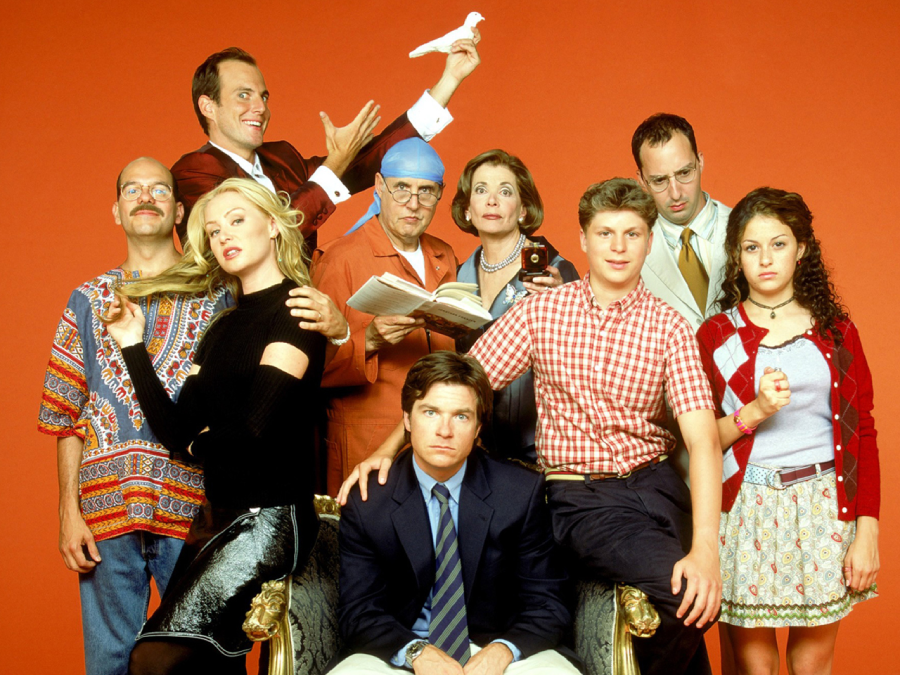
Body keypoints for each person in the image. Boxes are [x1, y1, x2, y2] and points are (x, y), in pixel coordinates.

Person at [340, 179, 723, 675]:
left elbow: (703, 441)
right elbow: (460, 384)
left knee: (704, 587)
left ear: (650, 240)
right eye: (605, 233)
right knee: (682, 594)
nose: (619, 247)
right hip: (582, 494)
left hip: (656, 483)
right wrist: (389, 449)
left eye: (632, 234)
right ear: (583, 240)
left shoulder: (670, 326)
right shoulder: (542, 311)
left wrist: (708, 548)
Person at [106, 178, 327, 673]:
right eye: (212, 229)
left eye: (237, 220)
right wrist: (131, 343)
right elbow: (175, 429)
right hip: (218, 518)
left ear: (273, 226)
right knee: (206, 662)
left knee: (153, 659)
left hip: (271, 518)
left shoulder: (296, 310)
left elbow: (255, 430)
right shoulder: (222, 327)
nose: (223, 235)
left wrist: (198, 441)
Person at [37, 157, 228, 675]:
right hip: (105, 510)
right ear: (117, 210)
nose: (146, 197)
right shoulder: (88, 298)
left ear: (180, 209)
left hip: (194, 510)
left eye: (159, 189)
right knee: (108, 663)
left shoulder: (217, 296)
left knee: (198, 659)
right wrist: (67, 512)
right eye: (133, 190)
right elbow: (65, 416)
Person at [696, 187, 879, 675]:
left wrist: (867, 531)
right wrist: (753, 410)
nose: (766, 259)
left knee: (812, 665)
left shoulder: (836, 331)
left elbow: (864, 433)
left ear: (802, 249)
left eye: (778, 244)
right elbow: (698, 444)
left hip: (823, 507)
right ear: (737, 257)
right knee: (755, 669)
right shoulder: (717, 335)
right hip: (745, 510)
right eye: (752, 248)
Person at [333, 351, 580, 675]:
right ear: (407, 419)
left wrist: (503, 650)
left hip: (497, 648)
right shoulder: (369, 501)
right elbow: (359, 612)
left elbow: (549, 603)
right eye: (431, 412)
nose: (444, 430)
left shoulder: (520, 492)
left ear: (478, 426)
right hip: (401, 651)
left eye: (461, 416)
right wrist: (416, 652)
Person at [172, 40, 481, 248]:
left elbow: (367, 162)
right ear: (208, 106)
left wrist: (449, 80)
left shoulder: (282, 157)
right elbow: (258, 238)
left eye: (263, 96)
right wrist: (336, 162)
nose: (260, 108)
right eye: (243, 95)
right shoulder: (192, 173)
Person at [313, 138, 458, 495]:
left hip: (438, 436)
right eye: (402, 189)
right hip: (364, 437)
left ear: (440, 193)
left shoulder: (444, 254)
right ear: (379, 187)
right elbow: (309, 368)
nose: (414, 204)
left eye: (426, 192)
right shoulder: (339, 259)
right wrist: (370, 339)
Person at [451, 149, 579, 462]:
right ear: (467, 208)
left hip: (545, 451)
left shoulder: (556, 271)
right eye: (481, 190)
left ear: (523, 209)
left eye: (505, 191)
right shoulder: (456, 277)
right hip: (474, 449)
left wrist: (568, 306)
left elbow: (588, 357)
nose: (491, 201)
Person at [632, 113, 731, 331]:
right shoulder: (628, 250)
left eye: (684, 173)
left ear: (700, 162)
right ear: (641, 180)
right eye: (659, 180)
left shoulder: (745, 230)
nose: (675, 193)